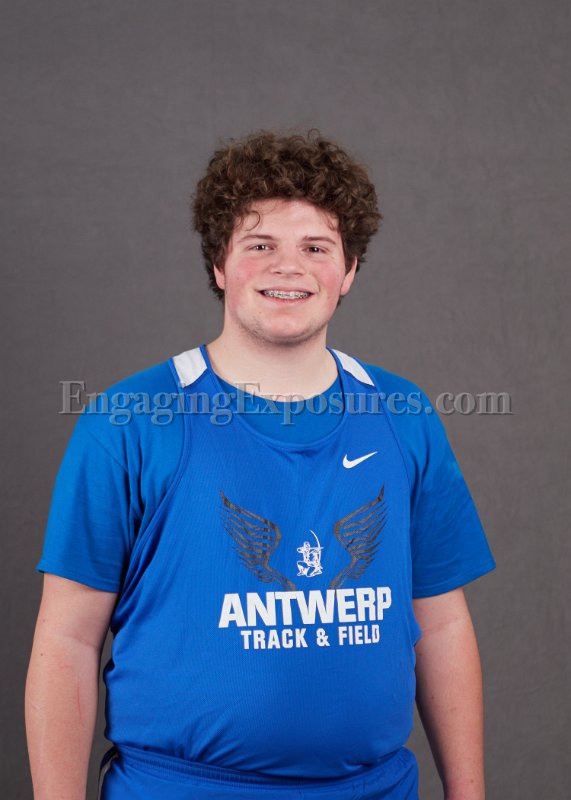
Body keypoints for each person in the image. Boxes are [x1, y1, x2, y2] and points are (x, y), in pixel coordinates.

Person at [26, 131, 496, 800]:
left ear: (349, 271)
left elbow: (442, 623)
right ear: (219, 264)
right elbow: (68, 639)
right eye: (260, 245)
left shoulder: (403, 414)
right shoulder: (129, 421)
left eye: (316, 247)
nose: (289, 268)